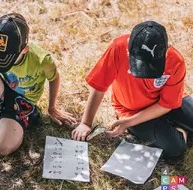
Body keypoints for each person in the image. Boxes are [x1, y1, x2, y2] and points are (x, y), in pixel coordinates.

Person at [72, 21, 193, 160]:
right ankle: (181, 130)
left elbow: (167, 103)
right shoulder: (118, 47)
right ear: (128, 49)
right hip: (132, 112)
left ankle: (174, 126)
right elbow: (99, 87)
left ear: (166, 51)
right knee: (175, 148)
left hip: (165, 104)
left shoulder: (175, 61)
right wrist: (86, 123)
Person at [0, 13, 76, 156]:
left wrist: (52, 108)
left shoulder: (41, 60)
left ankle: (24, 117)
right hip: (2, 91)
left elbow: (54, 78)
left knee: (1, 147)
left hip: (23, 103)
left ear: (25, 49)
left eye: (6, 58)